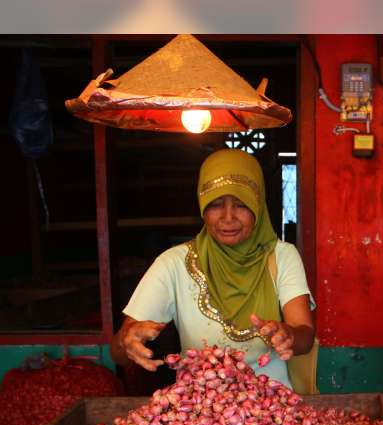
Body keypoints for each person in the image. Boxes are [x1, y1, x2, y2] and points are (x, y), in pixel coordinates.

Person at [111, 148, 315, 389]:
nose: (228, 217)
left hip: (273, 409)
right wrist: (129, 339)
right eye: (216, 204)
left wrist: (288, 335)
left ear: (258, 205)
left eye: (241, 204)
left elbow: (306, 337)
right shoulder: (174, 264)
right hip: (199, 411)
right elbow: (117, 353)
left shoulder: (282, 256)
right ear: (202, 206)